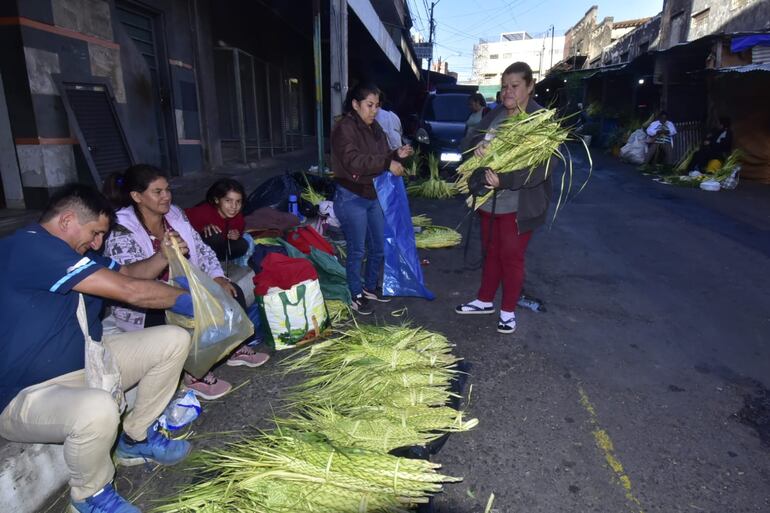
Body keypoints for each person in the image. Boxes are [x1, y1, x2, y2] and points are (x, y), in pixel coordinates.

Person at [0, 185, 194, 513]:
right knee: (98, 409)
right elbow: (130, 290)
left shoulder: (75, 251)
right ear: (67, 220)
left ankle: (136, 438)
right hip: (27, 394)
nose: (97, 243)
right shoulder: (28, 248)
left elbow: (128, 273)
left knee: (173, 340)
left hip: (89, 361)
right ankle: (89, 495)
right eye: (95, 233)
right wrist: (190, 300)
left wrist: (163, 255)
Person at [103, 165, 269, 401]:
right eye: (157, 192)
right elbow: (130, 280)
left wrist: (217, 277)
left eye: (168, 190)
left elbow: (202, 249)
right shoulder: (121, 230)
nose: (166, 197)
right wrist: (163, 256)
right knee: (185, 312)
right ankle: (195, 375)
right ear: (137, 196)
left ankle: (231, 349)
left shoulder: (175, 216)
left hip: (184, 284)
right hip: (145, 303)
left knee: (231, 293)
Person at [455, 62, 553, 334]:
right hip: (490, 201)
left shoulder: (541, 121)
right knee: (491, 252)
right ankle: (484, 300)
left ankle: (508, 310)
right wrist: (476, 150)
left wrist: (506, 179)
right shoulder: (496, 114)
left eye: (515, 86)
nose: (507, 92)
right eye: (504, 86)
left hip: (520, 206)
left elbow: (543, 168)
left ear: (530, 86)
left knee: (511, 257)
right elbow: (469, 142)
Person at [331, 82, 413, 314]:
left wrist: (396, 154)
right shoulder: (344, 128)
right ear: (356, 104)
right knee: (357, 250)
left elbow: (378, 157)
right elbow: (354, 161)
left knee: (378, 246)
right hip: (351, 196)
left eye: (377, 105)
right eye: (369, 105)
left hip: (373, 193)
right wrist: (388, 162)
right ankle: (355, 293)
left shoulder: (374, 127)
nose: (374, 110)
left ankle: (369, 287)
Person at [185, 178, 249, 261]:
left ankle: (215, 261)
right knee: (213, 234)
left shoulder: (238, 218)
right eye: (228, 200)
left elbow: (239, 230)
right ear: (217, 200)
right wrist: (201, 229)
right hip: (196, 249)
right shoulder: (202, 212)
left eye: (238, 202)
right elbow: (178, 218)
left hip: (218, 250)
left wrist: (236, 234)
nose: (234, 206)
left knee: (243, 245)